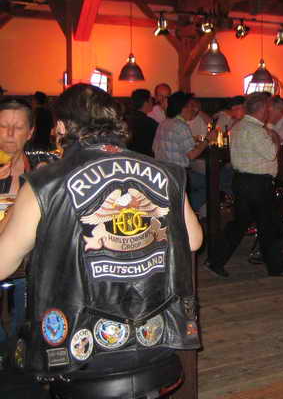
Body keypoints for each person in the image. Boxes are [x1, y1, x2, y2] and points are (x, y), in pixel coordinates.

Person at [0, 84, 202, 398]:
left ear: (63, 127)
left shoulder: (46, 181)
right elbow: (194, 240)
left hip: (77, 350)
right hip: (155, 339)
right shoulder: (165, 171)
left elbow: (2, 265)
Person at [206, 92, 283, 278]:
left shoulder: (238, 126)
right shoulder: (256, 130)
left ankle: (215, 260)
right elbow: (271, 153)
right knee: (268, 224)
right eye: (267, 109)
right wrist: (275, 137)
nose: (269, 112)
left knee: (239, 224)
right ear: (261, 110)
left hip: (241, 181)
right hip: (258, 183)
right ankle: (276, 267)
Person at [0, 98, 34, 347]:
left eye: (18, 127)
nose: (9, 134)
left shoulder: (41, 170)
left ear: (30, 132)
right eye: (2, 126)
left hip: (26, 272)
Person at [153, 92, 215, 215]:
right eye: (191, 106)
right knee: (212, 183)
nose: (193, 110)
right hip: (178, 174)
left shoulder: (163, 123)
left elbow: (155, 148)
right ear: (183, 108)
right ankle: (185, 211)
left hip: (163, 172)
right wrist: (208, 139)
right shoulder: (181, 126)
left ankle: (185, 210)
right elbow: (192, 155)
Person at [125, 88, 158, 157]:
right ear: (146, 103)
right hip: (145, 158)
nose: (153, 102)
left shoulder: (126, 119)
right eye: (151, 100)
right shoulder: (150, 123)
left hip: (128, 156)